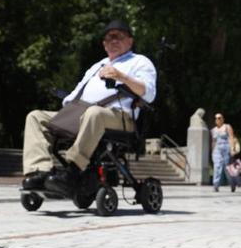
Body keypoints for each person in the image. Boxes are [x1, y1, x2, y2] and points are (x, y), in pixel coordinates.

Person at [21, 20, 157, 195]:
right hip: (83, 113)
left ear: (130, 41)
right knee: (36, 117)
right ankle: (39, 172)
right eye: (110, 37)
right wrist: (67, 110)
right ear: (104, 44)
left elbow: (149, 94)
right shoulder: (97, 66)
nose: (114, 40)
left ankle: (73, 171)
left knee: (94, 113)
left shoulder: (140, 61)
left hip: (120, 117)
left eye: (119, 36)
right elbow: (74, 94)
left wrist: (121, 77)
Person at [210, 113, 235, 193]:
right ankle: (216, 185)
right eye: (216, 118)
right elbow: (213, 141)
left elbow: (231, 138)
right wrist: (212, 151)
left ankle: (232, 183)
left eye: (219, 118)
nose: (218, 119)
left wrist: (232, 149)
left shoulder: (227, 127)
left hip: (226, 149)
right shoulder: (213, 130)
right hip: (217, 150)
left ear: (223, 119)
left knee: (226, 168)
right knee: (217, 167)